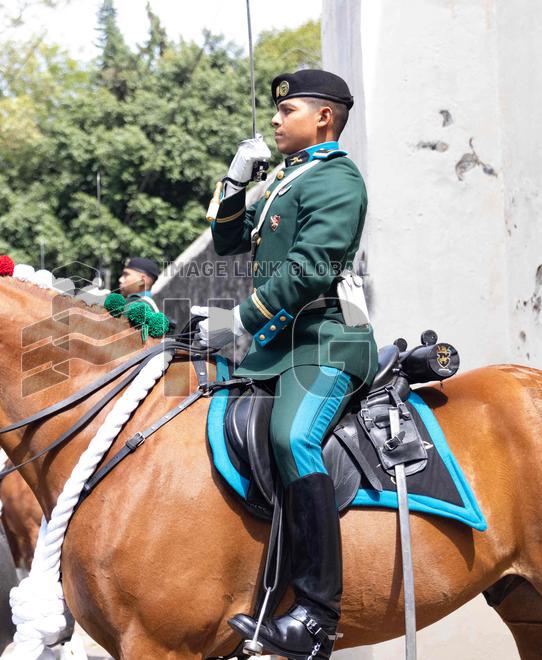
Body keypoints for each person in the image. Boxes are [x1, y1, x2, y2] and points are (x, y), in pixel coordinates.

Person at [193, 69, 377, 660]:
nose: (276, 119)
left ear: (325, 117)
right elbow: (226, 242)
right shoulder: (286, 180)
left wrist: (238, 320)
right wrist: (234, 180)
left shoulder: (338, 179)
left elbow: (311, 268)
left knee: (292, 434)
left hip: (327, 341)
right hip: (276, 348)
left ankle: (317, 615)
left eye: (288, 109)